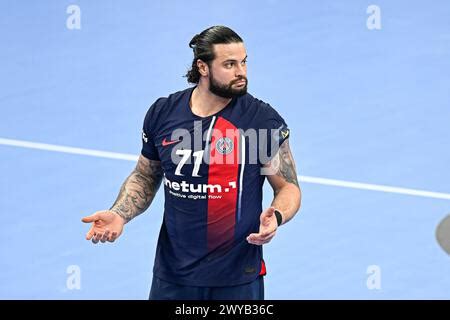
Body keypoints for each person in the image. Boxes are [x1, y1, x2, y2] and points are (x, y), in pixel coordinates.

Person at [82, 25, 301, 300]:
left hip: (237, 278)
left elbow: (289, 187)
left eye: (244, 62)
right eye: (230, 64)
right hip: (173, 276)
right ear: (203, 67)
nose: (241, 72)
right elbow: (146, 175)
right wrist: (119, 213)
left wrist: (276, 216)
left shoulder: (261, 121)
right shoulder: (163, 113)